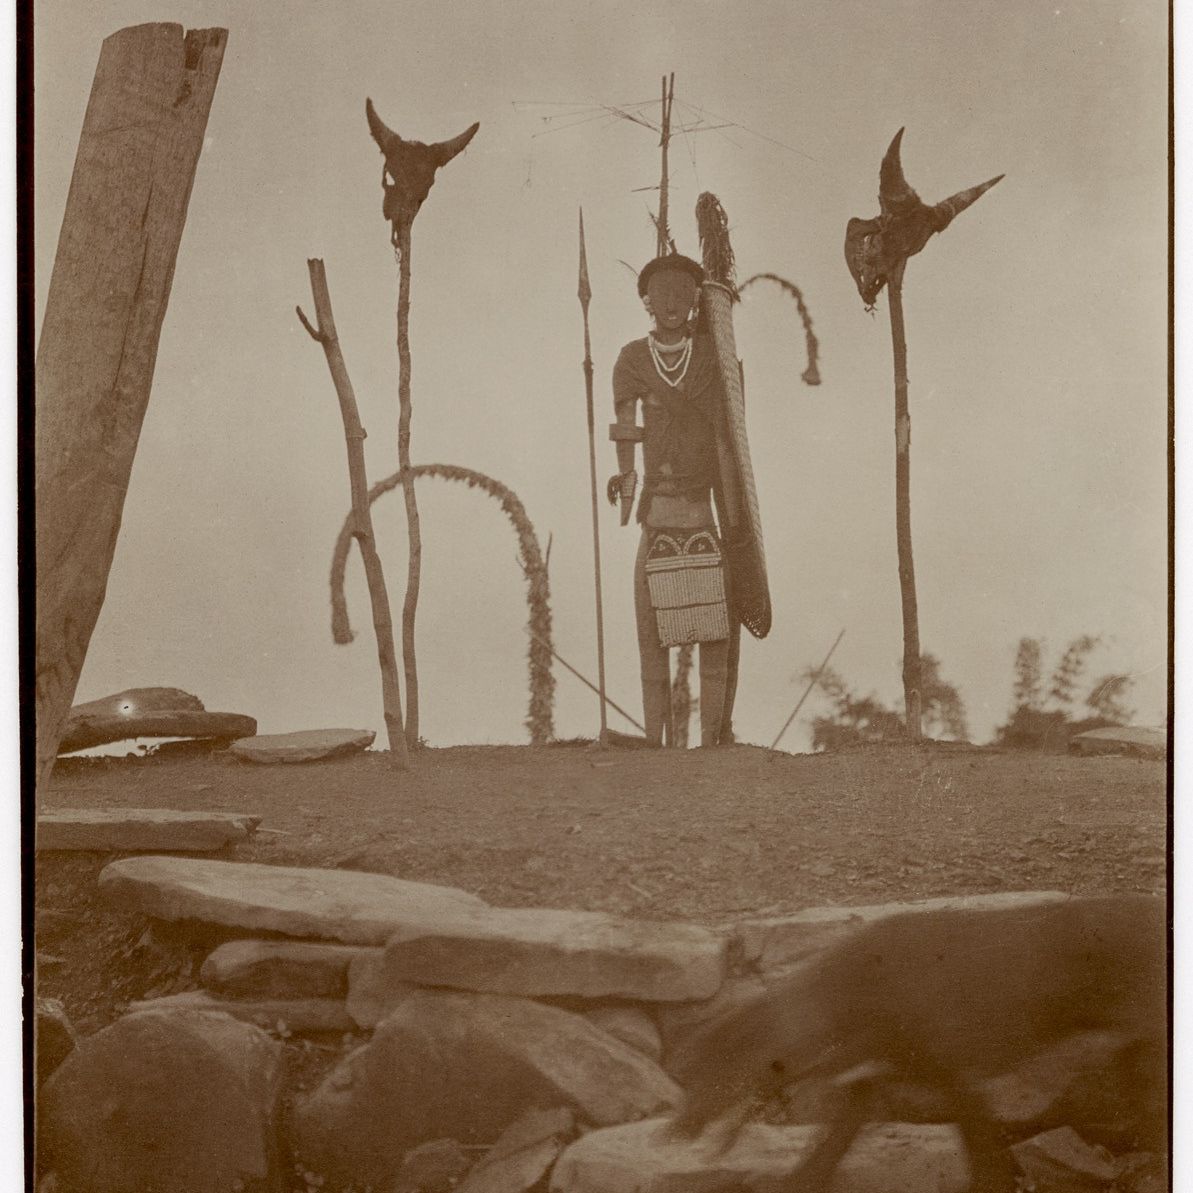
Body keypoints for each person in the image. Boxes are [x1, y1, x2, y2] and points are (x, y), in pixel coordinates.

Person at [608, 254, 734, 747]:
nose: (672, 305)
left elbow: (730, 430)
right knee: (652, 630)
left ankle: (711, 742)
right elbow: (626, 428)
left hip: (703, 509)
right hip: (658, 511)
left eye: (682, 295)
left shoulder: (711, 356)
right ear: (647, 302)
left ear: (695, 300)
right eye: (662, 295)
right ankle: (655, 740)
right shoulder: (632, 359)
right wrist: (625, 478)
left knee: (714, 628)